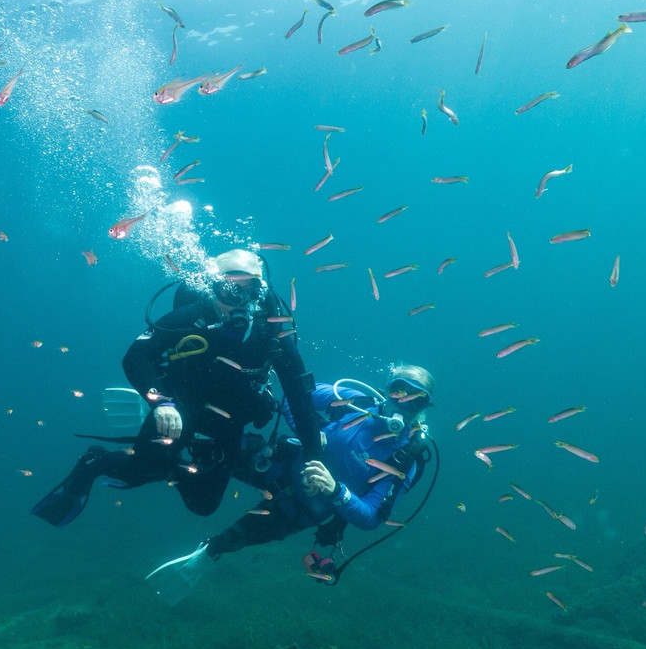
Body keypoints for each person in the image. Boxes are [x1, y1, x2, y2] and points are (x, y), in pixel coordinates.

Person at [32, 249, 324, 526]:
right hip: (178, 409)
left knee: (204, 506)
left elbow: (299, 396)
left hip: (230, 422)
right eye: (228, 290)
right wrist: (159, 402)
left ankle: (186, 461)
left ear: (259, 291)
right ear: (212, 288)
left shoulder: (273, 330)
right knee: (140, 470)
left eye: (247, 290)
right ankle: (94, 461)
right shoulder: (193, 316)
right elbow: (136, 356)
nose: (237, 301)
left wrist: (314, 458)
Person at [145, 366, 435, 602]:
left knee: (230, 538)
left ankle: (204, 555)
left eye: (416, 398)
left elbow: (372, 517)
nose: (404, 403)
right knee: (211, 445)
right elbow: (291, 399)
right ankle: (164, 417)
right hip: (280, 463)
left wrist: (336, 490)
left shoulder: (406, 457)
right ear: (387, 389)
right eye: (399, 391)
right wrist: (311, 437)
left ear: (425, 406)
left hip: (301, 508)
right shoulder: (356, 401)